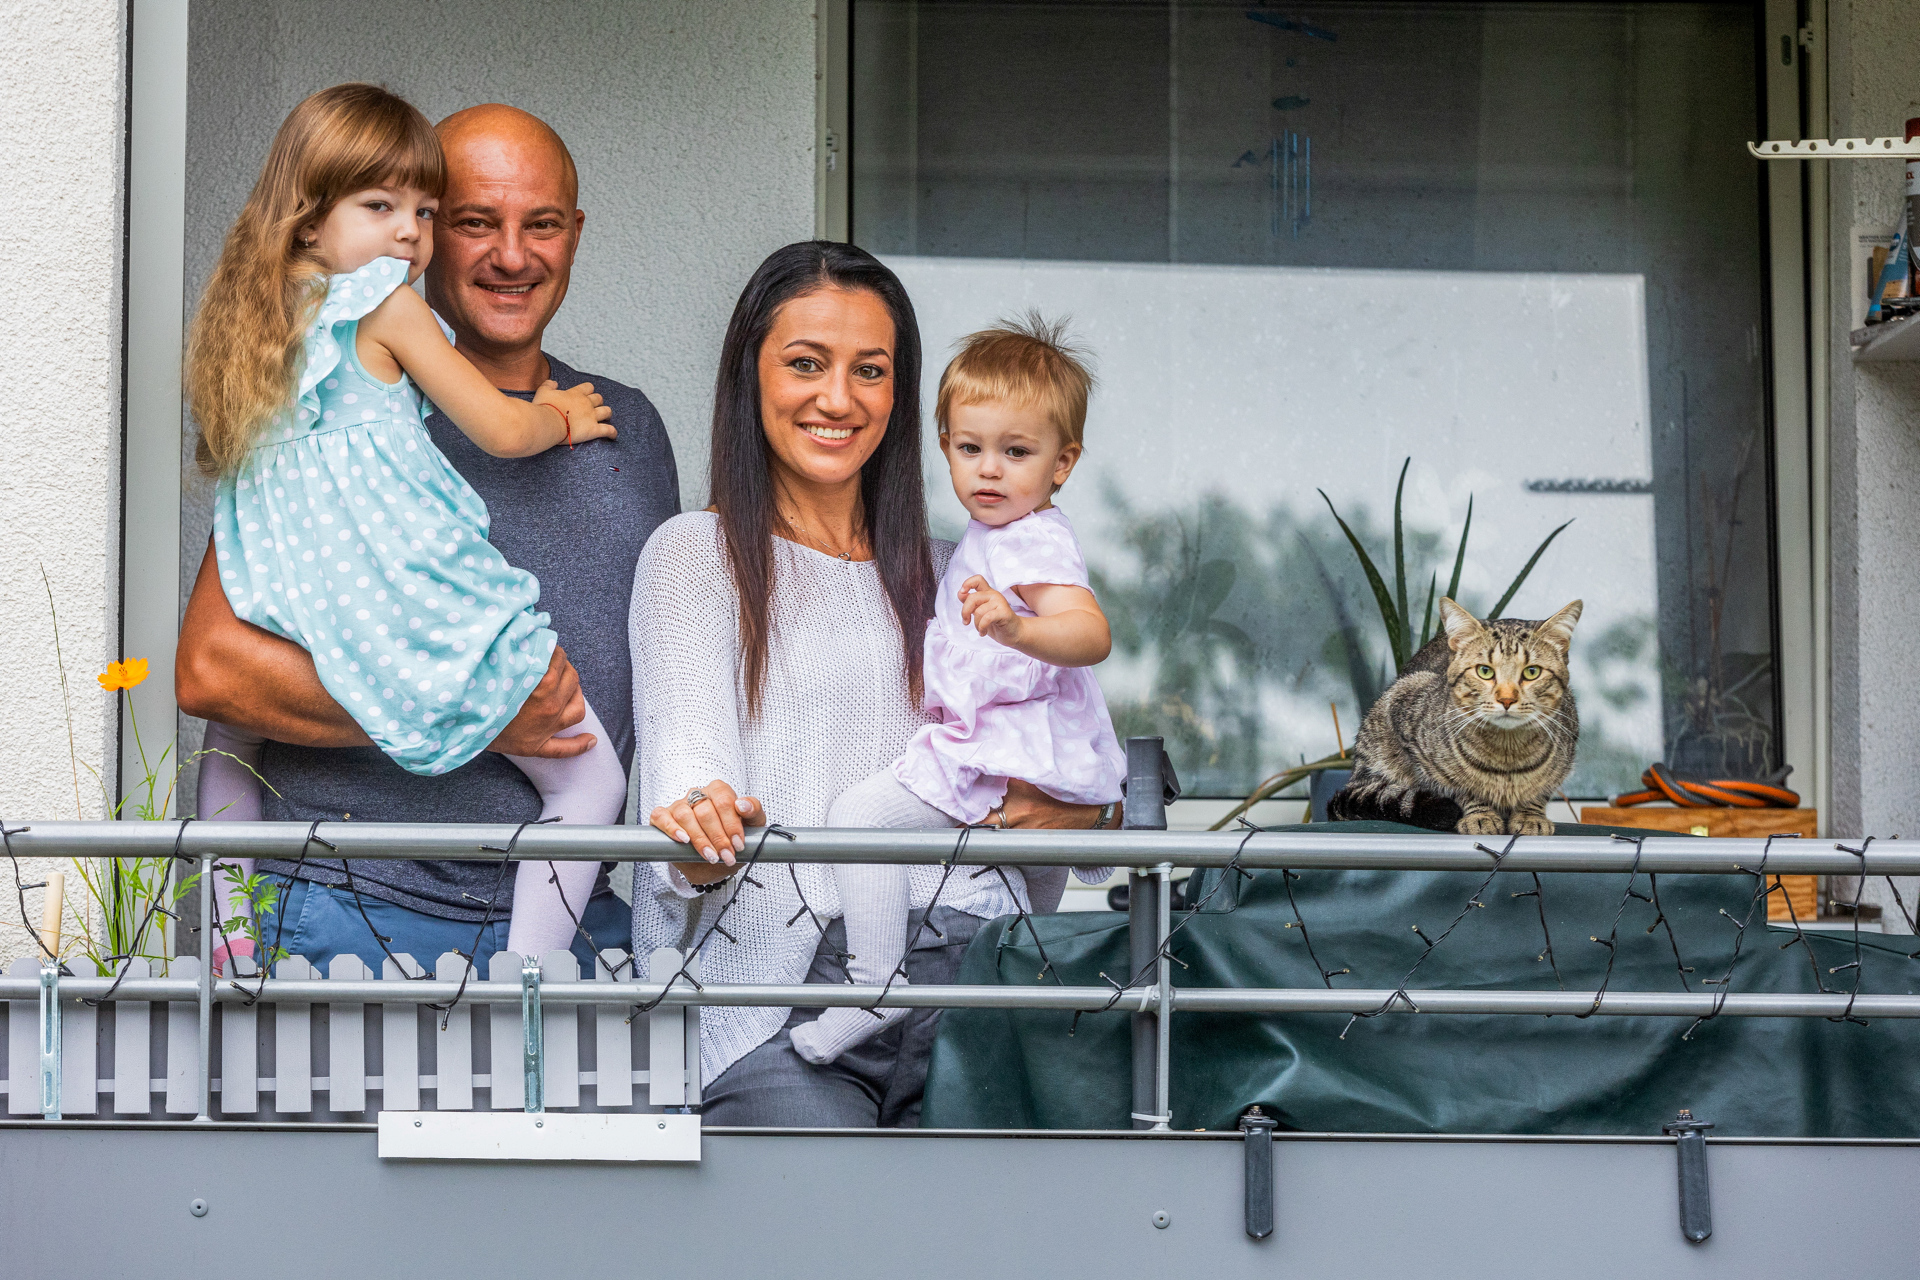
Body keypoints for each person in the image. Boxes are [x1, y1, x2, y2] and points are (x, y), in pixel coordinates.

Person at [176, 96, 680, 976]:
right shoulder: (340, 413)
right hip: (349, 911)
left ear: (575, 234)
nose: (512, 255)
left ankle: (228, 940)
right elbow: (213, 674)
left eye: (542, 224)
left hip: (578, 914)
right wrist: (478, 708)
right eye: (474, 221)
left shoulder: (629, 428)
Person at [630, 242, 1123, 1127]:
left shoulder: (964, 576)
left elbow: (1068, 756)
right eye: (805, 363)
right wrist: (698, 825)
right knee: (832, 1205)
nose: (838, 398)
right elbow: (685, 766)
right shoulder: (695, 555)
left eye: (870, 370)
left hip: (982, 980)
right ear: (749, 376)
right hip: (784, 1009)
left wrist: (1089, 817)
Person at [789, 315, 1125, 1066]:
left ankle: (875, 985)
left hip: (1002, 749)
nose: (989, 471)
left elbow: (1090, 632)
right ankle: (1018, 1002)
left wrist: (1017, 629)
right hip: (1025, 750)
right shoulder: (996, 535)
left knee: (860, 817)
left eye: (1017, 452)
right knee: (1027, 913)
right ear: (944, 445)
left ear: (1064, 462)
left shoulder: (1033, 539)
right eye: (970, 449)